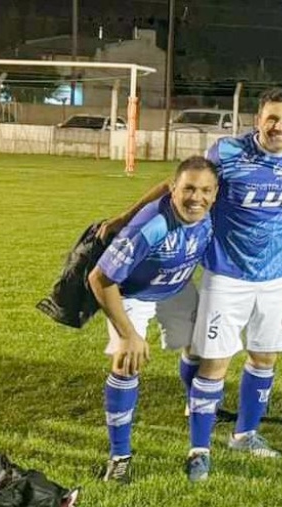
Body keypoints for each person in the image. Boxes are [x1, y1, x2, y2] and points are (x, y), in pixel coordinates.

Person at [100, 87, 282, 482]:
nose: (280, 126)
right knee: (215, 363)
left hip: (276, 278)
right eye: (272, 118)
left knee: (264, 358)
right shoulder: (229, 152)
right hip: (227, 275)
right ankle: (199, 450)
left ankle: (245, 434)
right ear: (257, 121)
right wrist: (127, 215)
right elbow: (185, 181)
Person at [88, 156, 218, 483]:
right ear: (175, 190)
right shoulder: (152, 226)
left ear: (215, 193)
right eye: (188, 189)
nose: (196, 198)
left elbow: (164, 184)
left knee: (201, 350)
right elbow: (100, 279)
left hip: (175, 287)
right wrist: (128, 334)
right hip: (132, 294)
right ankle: (119, 456)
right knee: (126, 360)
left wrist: (124, 212)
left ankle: (196, 422)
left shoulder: (208, 209)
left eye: (205, 190)